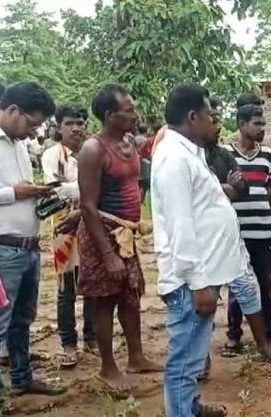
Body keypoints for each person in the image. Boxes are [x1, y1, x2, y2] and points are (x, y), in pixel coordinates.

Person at [152, 84, 239, 417]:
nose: (213, 121)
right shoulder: (174, 159)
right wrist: (199, 284)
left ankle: (188, 406)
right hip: (191, 282)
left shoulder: (189, 153)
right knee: (185, 361)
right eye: (209, 114)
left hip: (203, 275)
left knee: (193, 354)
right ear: (192, 116)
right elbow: (180, 225)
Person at [77, 84, 162, 396]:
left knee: (130, 295)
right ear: (110, 115)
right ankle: (107, 367)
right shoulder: (93, 149)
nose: (134, 115)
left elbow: (135, 184)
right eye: (128, 110)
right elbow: (88, 206)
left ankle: (136, 357)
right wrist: (108, 254)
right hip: (101, 233)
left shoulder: (127, 142)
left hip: (125, 234)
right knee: (105, 299)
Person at [0, 82, 66, 407]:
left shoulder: (20, 145)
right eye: (32, 123)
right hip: (4, 248)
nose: (34, 131)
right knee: (1, 324)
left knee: (22, 320)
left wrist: (39, 192)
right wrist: (16, 192)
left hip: (28, 247)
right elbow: (13, 191)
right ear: (13, 110)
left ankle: (22, 379)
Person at [222, 103, 271, 361]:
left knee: (267, 285)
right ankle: (234, 334)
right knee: (237, 286)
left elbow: (270, 186)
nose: (262, 128)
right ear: (242, 125)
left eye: (263, 123)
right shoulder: (226, 154)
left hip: (263, 230)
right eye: (257, 124)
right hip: (237, 232)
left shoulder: (267, 154)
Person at [41, 104, 97, 368]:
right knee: (67, 288)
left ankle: (92, 338)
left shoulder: (91, 151)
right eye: (70, 123)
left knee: (93, 285)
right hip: (63, 228)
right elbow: (54, 192)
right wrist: (86, 188)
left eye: (80, 123)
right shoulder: (52, 155)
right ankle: (68, 343)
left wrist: (75, 189)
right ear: (59, 127)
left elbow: (100, 187)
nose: (76, 128)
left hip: (91, 226)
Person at [235, 93, 271, 260]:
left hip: (267, 213)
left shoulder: (269, 144)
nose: (262, 127)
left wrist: (262, 174)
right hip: (239, 221)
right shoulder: (228, 147)